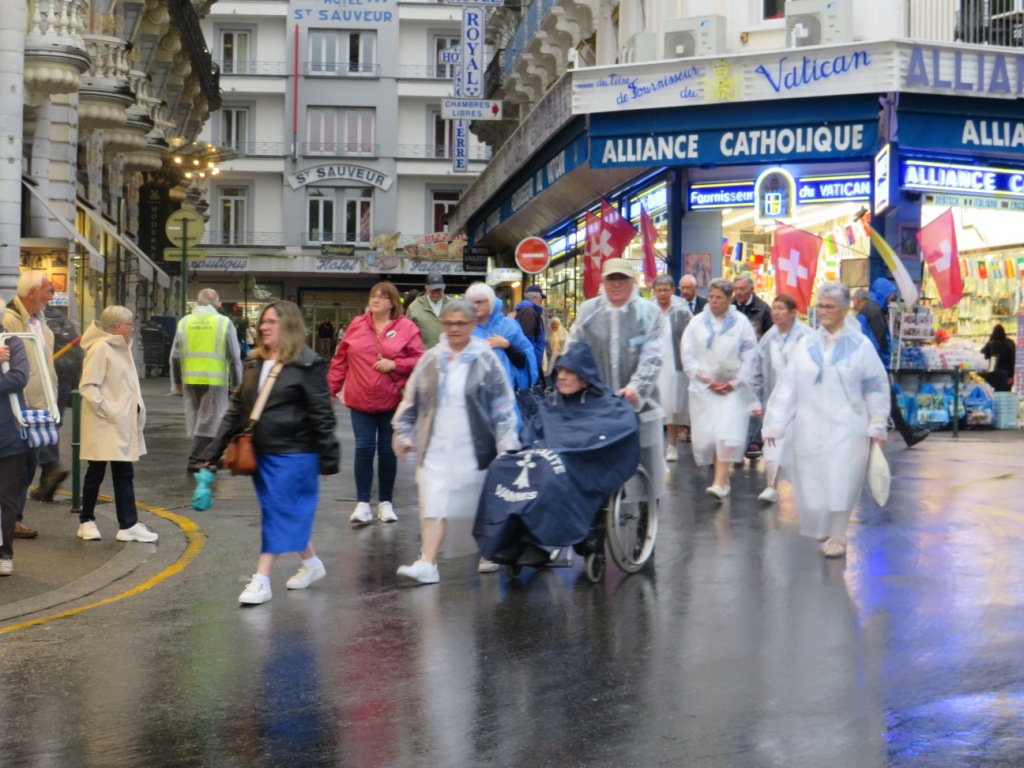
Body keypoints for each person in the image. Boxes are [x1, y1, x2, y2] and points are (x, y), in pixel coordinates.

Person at [205, 301, 340, 605]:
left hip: (296, 454)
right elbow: (236, 410)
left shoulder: (308, 364)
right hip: (261, 454)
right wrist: (212, 452)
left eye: (272, 322)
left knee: (277, 512)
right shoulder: (255, 363)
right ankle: (311, 563)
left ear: (288, 326)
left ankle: (262, 580)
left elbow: (322, 415)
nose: (264, 327)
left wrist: (328, 459)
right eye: (263, 321)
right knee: (281, 512)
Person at [474, 340, 640, 568]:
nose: (561, 377)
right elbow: (531, 432)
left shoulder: (609, 405)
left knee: (550, 471)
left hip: (583, 462)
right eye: (559, 371)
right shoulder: (551, 403)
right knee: (501, 466)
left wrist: (573, 452)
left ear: (585, 377)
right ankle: (508, 537)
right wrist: (527, 451)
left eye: (569, 372)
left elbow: (620, 435)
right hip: (546, 455)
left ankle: (542, 543)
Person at [393, 299, 521, 584]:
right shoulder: (431, 359)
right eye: (449, 323)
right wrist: (402, 431)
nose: (454, 328)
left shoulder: (485, 360)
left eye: (460, 323)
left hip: (473, 448)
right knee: (434, 502)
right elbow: (412, 400)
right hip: (435, 447)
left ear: (472, 325)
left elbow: (502, 405)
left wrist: (506, 441)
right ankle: (428, 562)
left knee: (471, 507)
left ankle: (489, 550)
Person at [762, 282, 890, 559]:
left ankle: (838, 533)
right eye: (820, 306)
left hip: (848, 426)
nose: (822, 311)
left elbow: (875, 385)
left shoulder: (860, 346)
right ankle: (824, 524)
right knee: (812, 479)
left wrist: (878, 421)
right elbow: (789, 385)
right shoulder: (806, 344)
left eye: (830, 306)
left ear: (845, 309)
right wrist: (776, 422)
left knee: (842, 478)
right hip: (810, 426)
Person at [565, 258, 665, 501]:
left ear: (633, 281)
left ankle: (647, 511)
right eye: (611, 279)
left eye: (622, 279)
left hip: (640, 404)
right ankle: (604, 511)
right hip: (598, 403)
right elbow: (574, 348)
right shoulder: (589, 311)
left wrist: (636, 388)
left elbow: (653, 356)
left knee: (645, 460)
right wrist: (570, 375)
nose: (617, 284)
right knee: (600, 461)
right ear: (603, 282)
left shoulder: (649, 313)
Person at [328, 281, 424, 525]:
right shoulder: (357, 325)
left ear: (392, 302)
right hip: (360, 399)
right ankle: (362, 504)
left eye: (382, 296)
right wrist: (329, 392)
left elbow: (420, 358)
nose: (376, 299)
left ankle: (386, 502)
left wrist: (396, 365)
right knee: (363, 448)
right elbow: (340, 360)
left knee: (386, 451)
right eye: (373, 295)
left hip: (392, 400)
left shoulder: (406, 327)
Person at [76, 306, 159, 544]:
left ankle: (127, 524)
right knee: (97, 472)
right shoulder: (101, 348)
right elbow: (88, 386)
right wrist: (111, 410)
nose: (133, 329)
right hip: (107, 422)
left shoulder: (120, 347)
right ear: (118, 327)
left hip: (117, 422)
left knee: (122, 473)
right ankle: (87, 521)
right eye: (130, 324)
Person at [681, 277, 759, 500]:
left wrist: (735, 382)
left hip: (732, 389)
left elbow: (750, 355)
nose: (714, 301)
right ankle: (722, 478)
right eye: (711, 297)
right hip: (705, 388)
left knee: (726, 433)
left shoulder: (741, 323)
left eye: (719, 298)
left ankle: (720, 482)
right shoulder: (696, 323)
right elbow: (688, 355)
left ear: (729, 299)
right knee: (709, 436)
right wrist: (707, 380)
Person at [3, 271, 59, 539]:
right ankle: (11, 521)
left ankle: (14, 518)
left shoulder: (41, 322)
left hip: (40, 405)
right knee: (15, 466)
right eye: (48, 291)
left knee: (27, 465)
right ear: (32, 292)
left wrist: (52, 397)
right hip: (17, 406)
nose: (51, 297)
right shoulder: (9, 319)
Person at [170, 289, 243, 472]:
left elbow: (175, 355)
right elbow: (235, 356)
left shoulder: (184, 322)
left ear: (197, 302)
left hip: (190, 378)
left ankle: (210, 458)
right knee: (209, 419)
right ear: (217, 303)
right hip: (214, 379)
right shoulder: (223, 322)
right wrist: (237, 383)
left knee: (204, 419)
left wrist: (177, 381)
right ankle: (196, 458)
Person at [751, 294, 813, 503]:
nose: (775, 313)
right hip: (775, 400)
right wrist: (756, 399)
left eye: (781, 308)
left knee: (802, 445)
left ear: (793, 313)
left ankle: (806, 488)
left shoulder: (807, 337)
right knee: (773, 444)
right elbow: (757, 370)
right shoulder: (768, 339)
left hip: (802, 402)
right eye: (774, 308)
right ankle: (772, 485)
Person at [852, 280, 930, 447]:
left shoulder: (871, 309)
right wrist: (885, 361)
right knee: (887, 398)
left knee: (887, 398)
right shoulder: (874, 311)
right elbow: (880, 340)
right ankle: (907, 434)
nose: (892, 298)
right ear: (883, 293)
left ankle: (907, 433)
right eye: (891, 295)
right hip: (876, 363)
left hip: (872, 362)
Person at [30, 304, 82, 501]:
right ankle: (47, 483)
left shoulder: (34, 321)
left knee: (34, 425)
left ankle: (51, 467)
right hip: (63, 379)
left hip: (44, 379)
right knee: (51, 426)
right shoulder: (60, 318)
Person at [465, 282, 538, 395]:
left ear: (491, 302)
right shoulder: (465, 328)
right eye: (471, 302)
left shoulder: (509, 326)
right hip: (474, 396)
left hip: (506, 395)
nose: (475, 306)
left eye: (479, 302)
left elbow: (525, 361)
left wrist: (507, 345)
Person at [0, 313, 30, 575]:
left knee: (6, 498)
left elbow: (19, 378)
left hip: (8, 434)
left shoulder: (12, 342)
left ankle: (4, 554)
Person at [651, 274, 692, 461]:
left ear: (673, 290)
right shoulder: (648, 310)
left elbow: (690, 337)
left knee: (672, 406)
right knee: (654, 406)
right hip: (653, 365)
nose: (662, 294)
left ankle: (672, 445)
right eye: (659, 290)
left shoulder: (682, 311)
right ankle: (654, 447)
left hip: (675, 364)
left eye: (666, 290)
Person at [404, 271, 449, 349]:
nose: (436, 292)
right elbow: (406, 335)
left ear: (444, 287)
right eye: (433, 289)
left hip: (449, 355)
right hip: (423, 355)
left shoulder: (453, 306)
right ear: (426, 288)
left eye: (439, 289)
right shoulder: (414, 307)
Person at [513, 284, 546, 383]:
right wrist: (531, 365)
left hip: (531, 362)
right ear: (535, 297)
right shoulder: (529, 312)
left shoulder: (527, 311)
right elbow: (527, 342)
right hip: (531, 363)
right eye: (541, 299)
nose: (541, 302)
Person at [981, 323, 1015, 392]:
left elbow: (982, 353)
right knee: (1005, 394)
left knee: (993, 393)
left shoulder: (991, 344)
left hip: (993, 373)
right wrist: (1011, 375)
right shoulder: (1010, 343)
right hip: (1006, 373)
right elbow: (1012, 360)